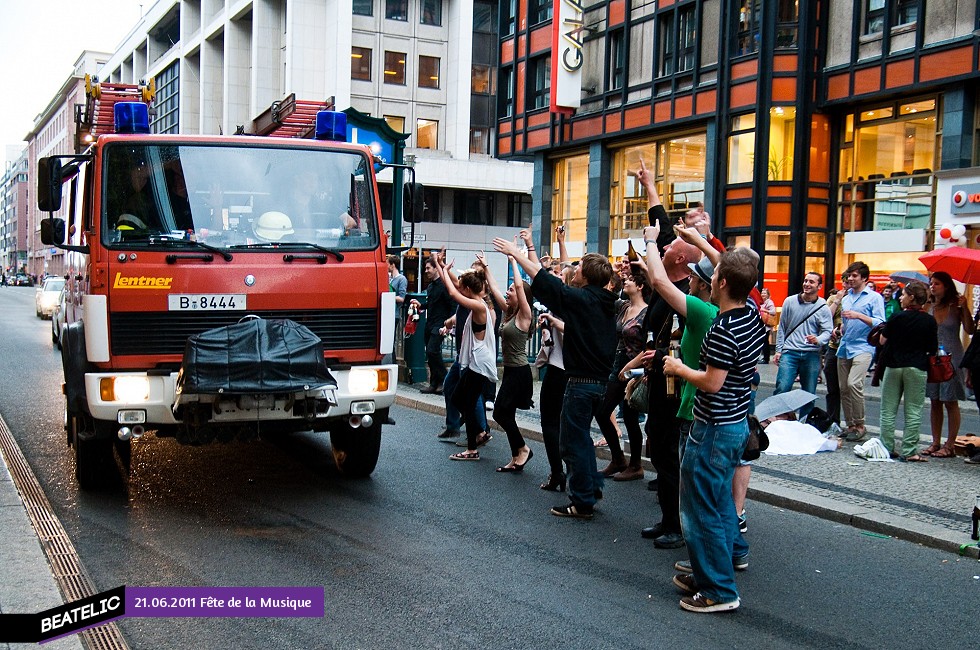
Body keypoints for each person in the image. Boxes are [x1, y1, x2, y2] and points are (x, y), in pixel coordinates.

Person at [663, 247, 766, 614]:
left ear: (721, 282)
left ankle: (718, 590)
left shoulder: (723, 328)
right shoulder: (751, 314)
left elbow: (711, 382)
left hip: (714, 426)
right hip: (735, 423)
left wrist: (678, 368)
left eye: (715, 272)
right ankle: (714, 570)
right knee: (720, 501)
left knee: (700, 508)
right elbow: (739, 270)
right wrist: (701, 241)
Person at [494, 238, 617, 520]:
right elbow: (552, 281)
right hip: (598, 382)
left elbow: (544, 281)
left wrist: (516, 253)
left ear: (586, 275)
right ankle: (591, 487)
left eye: (580, 266)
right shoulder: (604, 301)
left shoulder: (584, 300)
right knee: (582, 440)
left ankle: (582, 501)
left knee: (572, 443)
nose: (575, 268)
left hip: (582, 383)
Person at [625, 223, 717, 550]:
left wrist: (652, 240)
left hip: (678, 389)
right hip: (666, 381)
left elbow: (660, 280)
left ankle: (681, 529)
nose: (691, 279)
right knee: (663, 454)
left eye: (696, 276)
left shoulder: (699, 307)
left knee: (673, 459)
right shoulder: (692, 300)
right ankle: (670, 519)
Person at [430, 254, 497, 461]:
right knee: (461, 398)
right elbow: (456, 286)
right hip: (475, 360)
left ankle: (472, 447)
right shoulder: (477, 302)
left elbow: (452, 290)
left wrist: (441, 268)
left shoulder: (478, 306)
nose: (460, 290)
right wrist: (442, 267)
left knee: (465, 399)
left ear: (468, 290)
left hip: (479, 362)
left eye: (463, 289)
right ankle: (478, 436)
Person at [595, 267, 650, 482]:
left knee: (629, 417)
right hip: (618, 367)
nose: (625, 281)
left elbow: (649, 347)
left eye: (630, 279)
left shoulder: (647, 312)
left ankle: (635, 464)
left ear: (641, 286)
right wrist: (611, 272)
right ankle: (618, 458)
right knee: (602, 411)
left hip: (634, 369)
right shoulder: (623, 306)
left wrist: (630, 369)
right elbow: (604, 291)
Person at [484, 253, 535, 473]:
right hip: (511, 371)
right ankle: (517, 455)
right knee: (507, 413)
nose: (508, 291)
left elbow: (520, 287)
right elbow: (495, 290)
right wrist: (486, 267)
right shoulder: (509, 313)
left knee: (500, 413)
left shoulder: (525, 314)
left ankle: (522, 449)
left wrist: (514, 260)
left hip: (520, 373)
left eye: (512, 290)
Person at [877, 281, 937, 462]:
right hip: (917, 367)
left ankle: (886, 447)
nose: (900, 298)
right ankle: (910, 450)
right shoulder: (929, 320)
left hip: (894, 366)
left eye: (903, 294)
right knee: (913, 410)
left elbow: (881, 341)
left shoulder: (897, 317)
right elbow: (932, 348)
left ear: (911, 297)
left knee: (888, 409)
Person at [922, 271, 975, 458]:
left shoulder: (956, 305)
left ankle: (950, 444)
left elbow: (970, 329)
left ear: (946, 286)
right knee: (935, 400)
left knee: (950, 400)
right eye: (931, 283)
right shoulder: (928, 305)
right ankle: (935, 441)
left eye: (936, 283)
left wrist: (965, 308)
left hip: (952, 357)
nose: (932, 286)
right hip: (932, 357)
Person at [773, 272, 833, 420]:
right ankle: (776, 421)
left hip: (811, 354)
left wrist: (818, 339)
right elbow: (782, 328)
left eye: (811, 282)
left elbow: (828, 331)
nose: (807, 284)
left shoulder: (823, 307)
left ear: (819, 286)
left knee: (808, 393)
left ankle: (804, 424)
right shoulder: (790, 301)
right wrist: (779, 350)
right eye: (805, 280)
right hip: (790, 352)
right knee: (782, 387)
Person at [836, 261, 885, 442]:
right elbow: (846, 322)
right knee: (843, 388)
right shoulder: (846, 297)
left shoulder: (874, 298)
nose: (850, 278)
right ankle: (850, 425)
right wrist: (840, 329)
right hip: (845, 345)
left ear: (864, 278)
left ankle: (860, 424)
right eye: (849, 275)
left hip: (864, 346)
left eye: (855, 276)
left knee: (853, 383)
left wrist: (859, 316)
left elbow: (880, 321)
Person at [410, 257, 455, 394]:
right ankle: (435, 383)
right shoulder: (430, 287)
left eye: (428, 268)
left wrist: (449, 324)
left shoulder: (444, 286)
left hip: (440, 323)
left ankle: (446, 379)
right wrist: (420, 305)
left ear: (436, 269)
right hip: (430, 323)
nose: (426, 271)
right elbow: (430, 304)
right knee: (430, 354)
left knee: (432, 351)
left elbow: (452, 305)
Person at [823, 274, 846, 425]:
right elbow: (826, 316)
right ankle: (833, 420)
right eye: (845, 280)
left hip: (850, 348)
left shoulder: (862, 299)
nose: (847, 282)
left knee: (848, 387)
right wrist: (837, 300)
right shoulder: (833, 298)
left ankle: (853, 423)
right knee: (832, 386)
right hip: (834, 346)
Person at [759, 288, 776, 363]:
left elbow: (773, 311)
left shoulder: (769, 302)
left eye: (764, 293)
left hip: (766, 326)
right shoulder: (761, 302)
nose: (763, 294)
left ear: (768, 294)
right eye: (762, 293)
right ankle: (763, 357)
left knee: (765, 342)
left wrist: (764, 310)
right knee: (762, 342)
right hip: (761, 325)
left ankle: (766, 358)